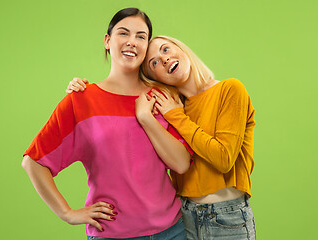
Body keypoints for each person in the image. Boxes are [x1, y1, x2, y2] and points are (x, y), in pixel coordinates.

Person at [22, 9, 193, 240]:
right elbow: (33, 161)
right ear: (107, 41)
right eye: (124, 33)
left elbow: (182, 164)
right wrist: (67, 213)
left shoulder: (161, 97)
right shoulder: (81, 99)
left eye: (141, 36)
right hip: (111, 234)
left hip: (172, 230)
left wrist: (146, 118)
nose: (132, 42)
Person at [68, 35, 256, 240]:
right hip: (183, 219)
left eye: (165, 50)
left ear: (181, 48)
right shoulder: (165, 106)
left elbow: (223, 158)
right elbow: (119, 113)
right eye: (154, 63)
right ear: (155, 77)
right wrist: (83, 91)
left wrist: (176, 115)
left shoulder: (229, 90)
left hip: (227, 219)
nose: (164, 59)